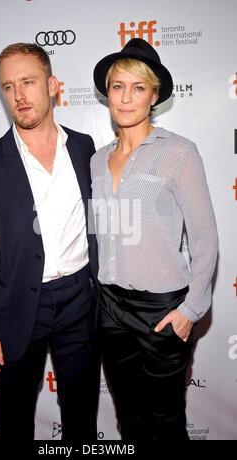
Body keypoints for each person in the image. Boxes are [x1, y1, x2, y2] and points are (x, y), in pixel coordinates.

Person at [0, 42, 100, 441]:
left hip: (79, 301)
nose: (18, 95)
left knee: (82, 418)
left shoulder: (84, 147)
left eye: (28, 82)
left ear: (53, 85)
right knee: (16, 421)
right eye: (7, 87)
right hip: (18, 307)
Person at [91, 38, 218, 441]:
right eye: (117, 86)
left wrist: (190, 310)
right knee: (128, 419)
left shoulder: (180, 152)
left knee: (165, 421)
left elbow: (205, 239)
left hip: (162, 310)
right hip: (109, 308)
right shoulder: (96, 159)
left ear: (154, 95)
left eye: (138, 87)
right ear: (108, 92)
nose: (126, 98)